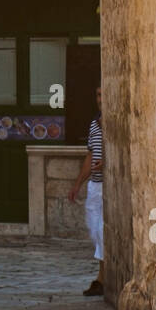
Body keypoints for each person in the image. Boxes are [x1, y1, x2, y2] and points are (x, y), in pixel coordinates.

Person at [68, 84, 104, 296]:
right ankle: (103, 276)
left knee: (102, 232)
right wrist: (78, 184)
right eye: (98, 94)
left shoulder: (114, 125)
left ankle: (102, 278)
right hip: (95, 186)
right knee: (94, 231)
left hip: (108, 186)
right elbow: (90, 156)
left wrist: (108, 162)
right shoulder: (93, 125)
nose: (100, 98)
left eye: (103, 95)